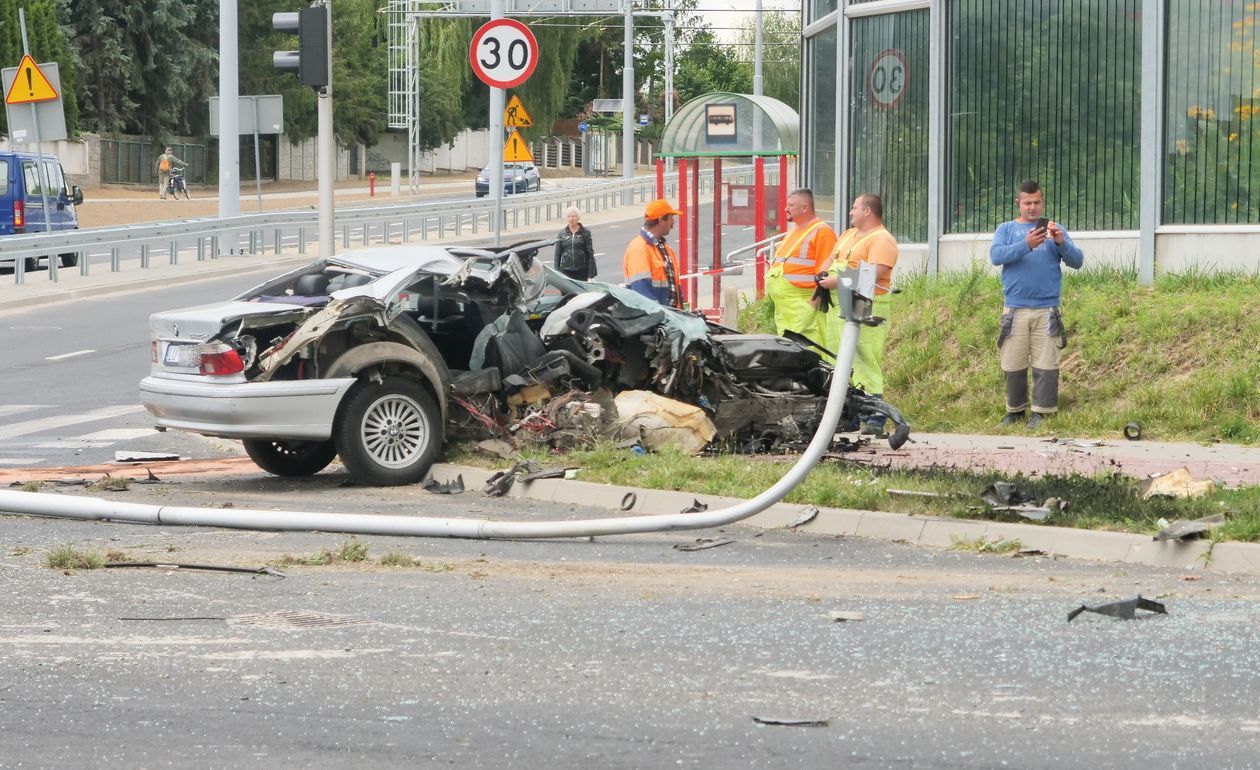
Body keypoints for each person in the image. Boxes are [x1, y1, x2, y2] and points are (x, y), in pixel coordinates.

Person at [990, 179, 1085, 429]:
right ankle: (1014, 411)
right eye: (1027, 203)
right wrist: (1026, 245)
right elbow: (996, 256)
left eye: (1037, 202)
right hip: (1014, 307)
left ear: (1042, 202)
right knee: (1013, 363)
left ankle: (1042, 412)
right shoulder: (1006, 229)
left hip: (1047, 308)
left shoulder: (1056, 229)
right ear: (1018, 203)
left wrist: (1062, 242)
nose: (1032, 207)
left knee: (1046, 364)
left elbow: (1077, 262)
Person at [818, 193, 899, 435]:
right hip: (839, 306)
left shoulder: (883, 240)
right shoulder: (848, 235)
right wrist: (822, 274)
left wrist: (835, 281)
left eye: (855, 208)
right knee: (840, 360)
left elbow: (873, 273)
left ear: (868, 211)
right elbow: (831, 258)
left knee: (864, 358)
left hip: (866, 303)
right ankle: (849, 414)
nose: (851, 212)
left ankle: (875, 415)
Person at [765, 189, 837, 349]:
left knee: (810, 354)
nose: (786, 208)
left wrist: (811, 308)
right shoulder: (794, 232)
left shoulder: (822, 232)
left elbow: (824, 275)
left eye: (791, 205)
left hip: (803, 309)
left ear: (804, 207)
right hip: (786, 311)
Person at [623, 198, 683, 308]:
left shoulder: (664, 248)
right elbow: (642, 294)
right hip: (654, 320)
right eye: (671, 218)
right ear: (661, 220)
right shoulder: (639, 249)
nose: (673, 222)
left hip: (669, 319)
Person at [554, 206, 597, 281]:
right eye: (569, 216)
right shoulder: (561, 233)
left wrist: (591, 274)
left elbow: (590, 254)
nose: (571, 218)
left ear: (578, 217)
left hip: (582, 270)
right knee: (566, 292)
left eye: (573, 216)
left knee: (580, 292)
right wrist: (556, 272)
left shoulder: (585, 232)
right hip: (565, 271)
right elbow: (557, 254)